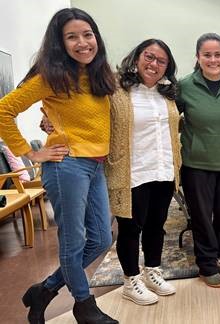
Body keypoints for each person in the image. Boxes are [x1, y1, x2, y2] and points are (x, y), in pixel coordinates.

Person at [0, 8, 118, 324]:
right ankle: (83, 304)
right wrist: (30, 153)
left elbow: (89, 118)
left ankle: (45, 290)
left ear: (96, 38)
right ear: (60, 42)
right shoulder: (51, 76)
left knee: (102, 239)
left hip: (95, 165)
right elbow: (3, 111)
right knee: (73, 240)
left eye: (87, 34)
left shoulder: (98, 74)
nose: (82, 42)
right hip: (67, 166)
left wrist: (52, 123)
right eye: (72, 37)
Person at [105, 39, 181, 304]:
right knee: (130, 228)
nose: (154, 64)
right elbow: (91, 116)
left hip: (163, 170)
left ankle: (152, 271)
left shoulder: (167, 93)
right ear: (137, 58)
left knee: (156, 226)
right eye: (149, 57)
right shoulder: (116, 90)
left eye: (161, 61)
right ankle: (131, 280)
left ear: (167, 67)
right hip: (132, 171)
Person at [177, 33, 220, 288]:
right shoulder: (185, 86)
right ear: (198, 57)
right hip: (197, 164)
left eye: (218, 54)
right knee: (202, 217)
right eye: (207, 55)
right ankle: (206, 265)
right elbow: (168, 115)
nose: (213, 59)